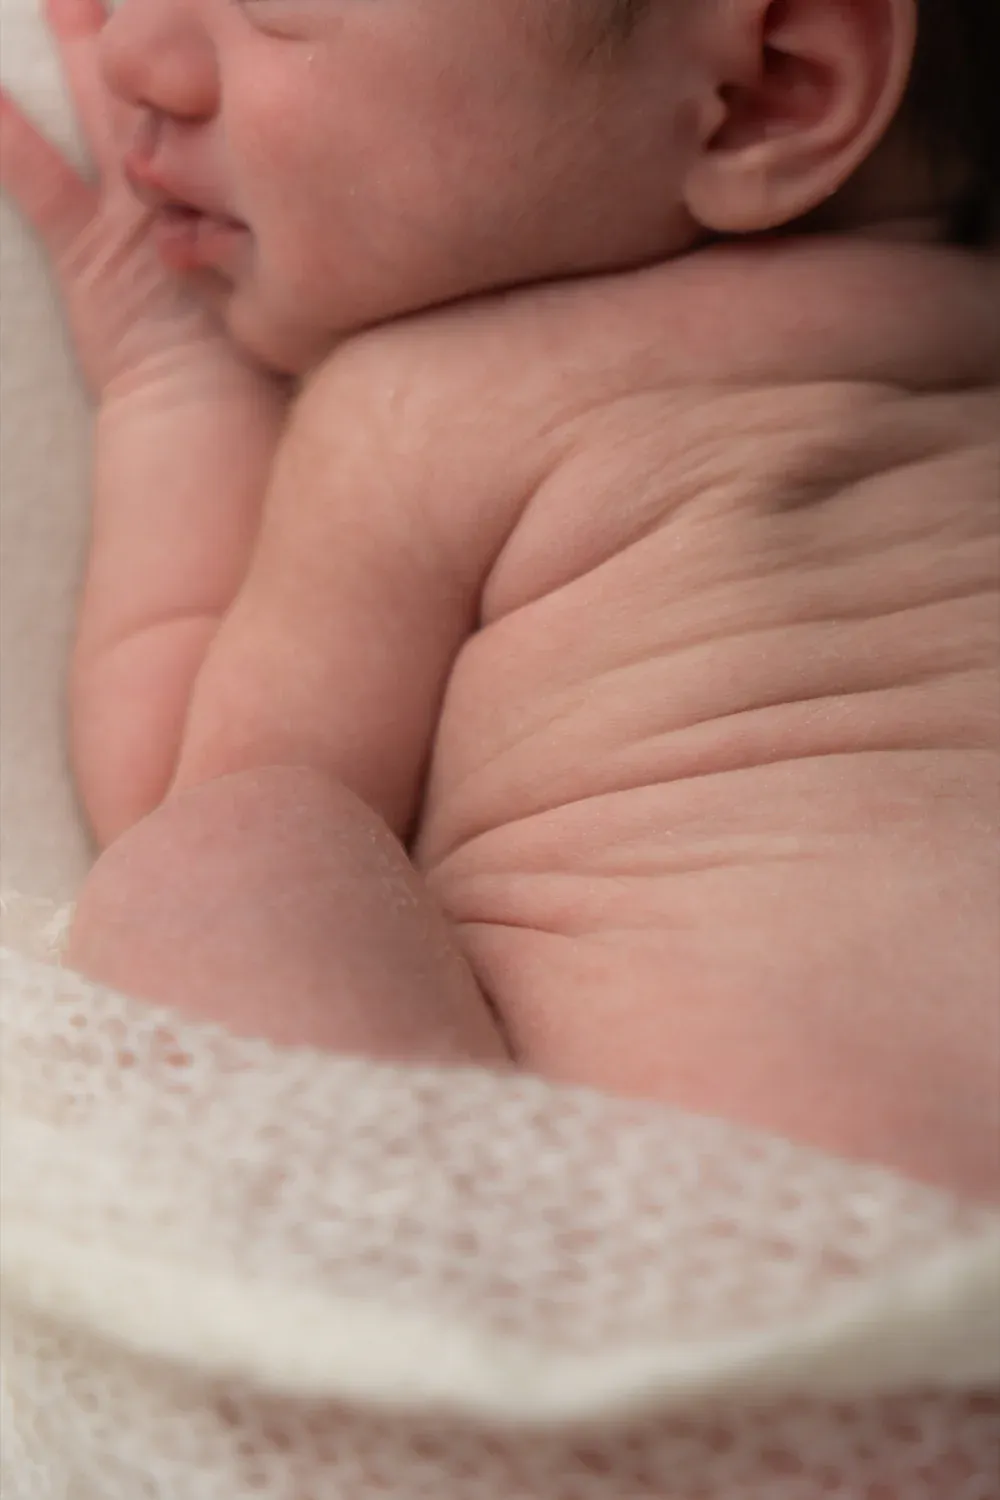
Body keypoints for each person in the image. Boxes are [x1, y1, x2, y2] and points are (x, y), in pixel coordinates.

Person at [2, 0, 997, 1196]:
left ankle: (373, 1360)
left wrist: (175, 382)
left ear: (762, 88)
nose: (128, 52)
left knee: (218, 855)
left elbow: (178, 796)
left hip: (661, 1251)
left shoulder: (430, 405)